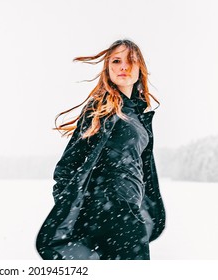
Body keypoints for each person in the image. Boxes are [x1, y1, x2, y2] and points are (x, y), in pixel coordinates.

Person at [36, 39, 166, 260]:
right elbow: (67, 166)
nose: (123, 66)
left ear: (140, 68)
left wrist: (142, 212)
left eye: (130, 61)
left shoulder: (138, 116)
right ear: (108, 69)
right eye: (116, 61)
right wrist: (76, 213)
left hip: (130, 215)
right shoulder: (102, 110)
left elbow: (142, 172)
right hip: (106, 213)